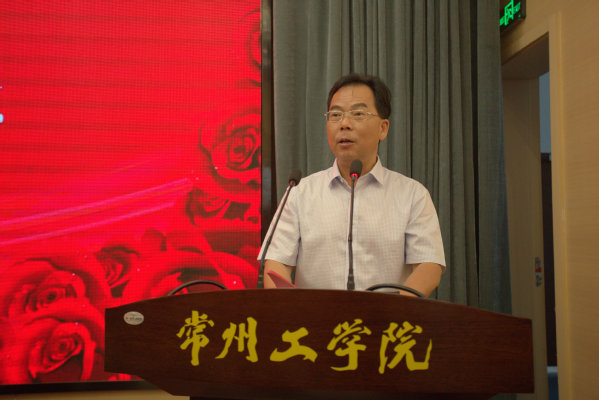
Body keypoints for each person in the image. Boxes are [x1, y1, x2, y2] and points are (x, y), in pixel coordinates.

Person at [259, 74, 445, 296]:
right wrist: (292, 309)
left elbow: (428, 266)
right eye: (335, 115)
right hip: (314, 318)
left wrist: (392, 310)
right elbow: (276, 264)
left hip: (388, 317)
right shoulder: (300, 193)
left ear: (383, 128)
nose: (344, 124)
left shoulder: (412, 195)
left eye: (358, 114)